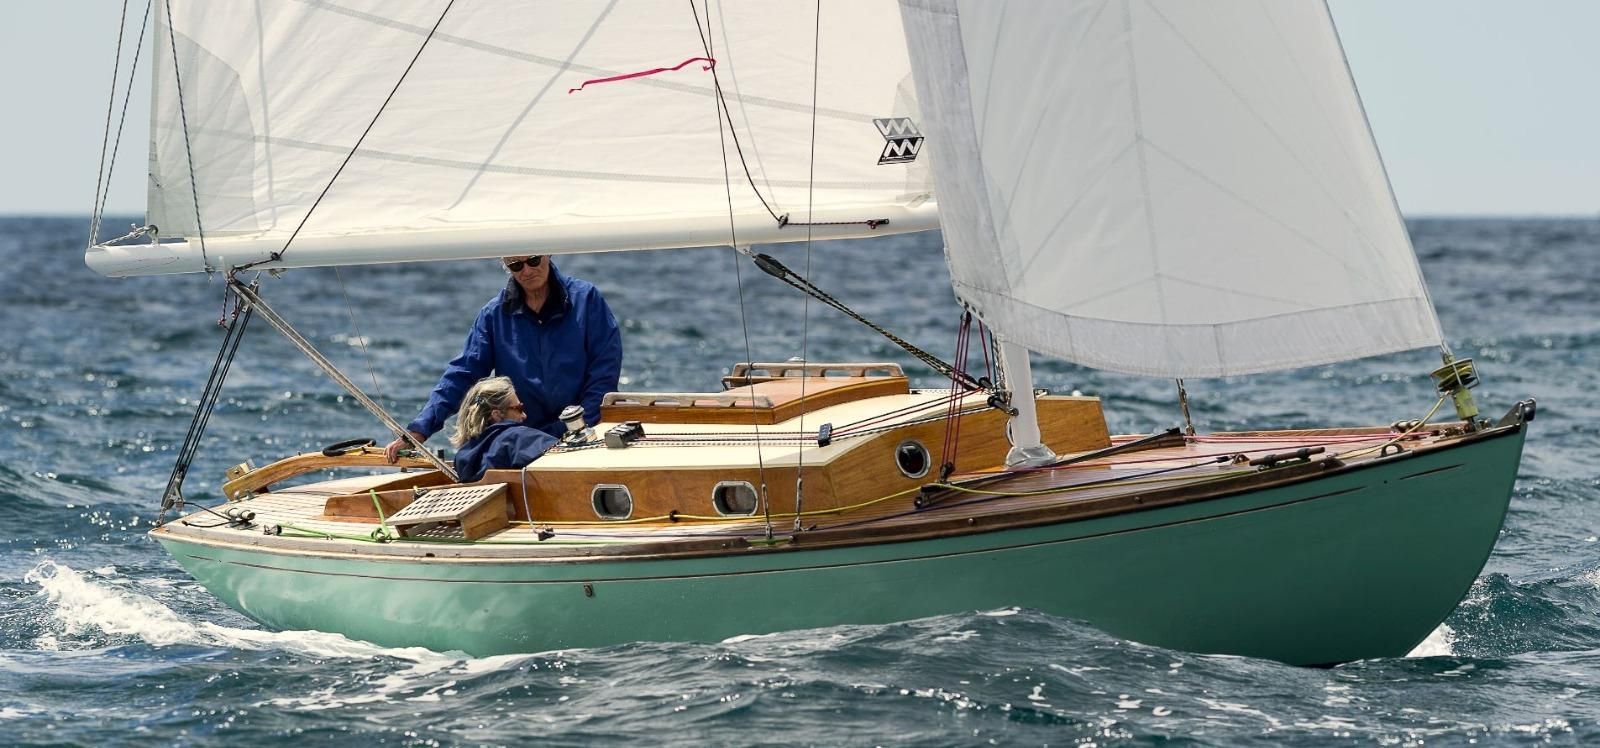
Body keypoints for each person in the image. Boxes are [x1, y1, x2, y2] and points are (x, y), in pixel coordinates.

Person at [385, 254, 622, 464]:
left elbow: (604, 374)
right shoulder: (493, 315)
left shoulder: (587, 299)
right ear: (506, 266)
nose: (527, 271)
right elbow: (463, 374)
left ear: (548, 253)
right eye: (516, 265)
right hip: (523, 442)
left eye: (533, 260)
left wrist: (573, 427)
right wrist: (419, 430)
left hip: (583, 433)